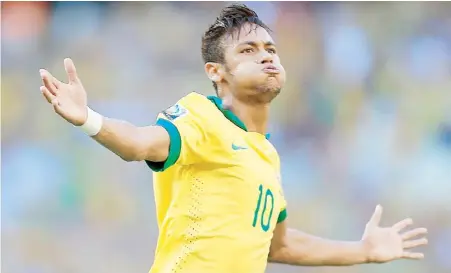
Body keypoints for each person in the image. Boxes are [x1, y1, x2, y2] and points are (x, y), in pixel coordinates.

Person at [39, 4, 428, 273]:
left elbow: (280, 246)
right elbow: (140, 143)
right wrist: (88, 119)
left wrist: (362, 251)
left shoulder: (267, 156)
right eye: (248, 50)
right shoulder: (202, 115)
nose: (267, 57)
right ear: (216, 72)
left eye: (271, 49)